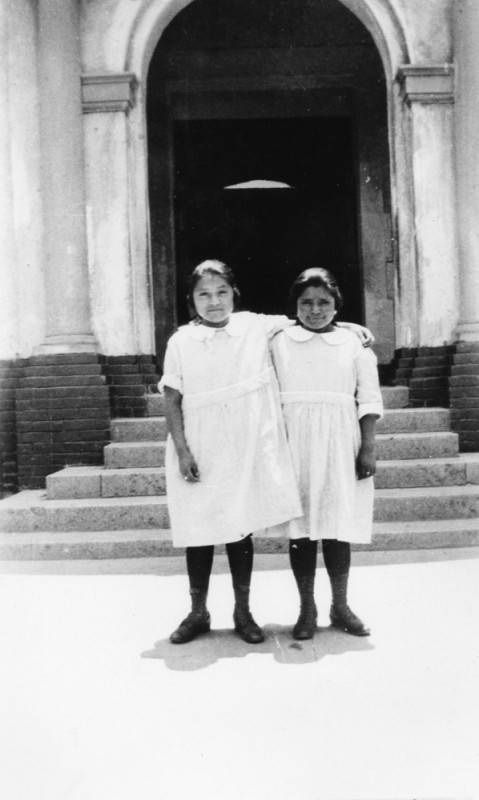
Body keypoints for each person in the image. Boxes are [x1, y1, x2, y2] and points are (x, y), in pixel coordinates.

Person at [161, 259, 373, 645]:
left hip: (242, 443)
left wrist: (349, 326)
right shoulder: (180, 341)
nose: (214, 302)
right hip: (199, 441)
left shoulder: (255, 326)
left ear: (235, 295)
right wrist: (182, 450)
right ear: (191, 300)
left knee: (239, 525)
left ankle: (243, 612)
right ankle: (198, 611)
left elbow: (304, 322)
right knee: (199, 528)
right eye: (204, 295)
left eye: (222, 292)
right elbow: (172, 399)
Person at [270, 268, 383, 639]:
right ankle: (307, 608)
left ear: (337, 305)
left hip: (339, 440)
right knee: (301, 531)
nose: (315, 310)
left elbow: (368, 399)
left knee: (337, 528)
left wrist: (368, 448)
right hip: (295, 442)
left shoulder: (354, 344)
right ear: (295, 306)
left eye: (324, 302)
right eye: (306, 303)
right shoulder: (278, 341)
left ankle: (341, 605)